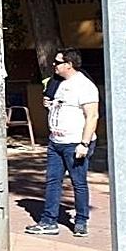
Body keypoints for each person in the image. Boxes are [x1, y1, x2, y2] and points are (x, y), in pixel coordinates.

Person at [27, 47, 100, 237]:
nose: (54, 65)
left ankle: (81, 221)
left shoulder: (84, 86)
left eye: (58, 62)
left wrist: (83, 144)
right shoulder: (59, 83)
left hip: (74, 143)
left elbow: (92, 116)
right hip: (56, 141)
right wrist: (50, 107)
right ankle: (48, 221)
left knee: (78, 183)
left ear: (69, 65)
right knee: (52, 181)